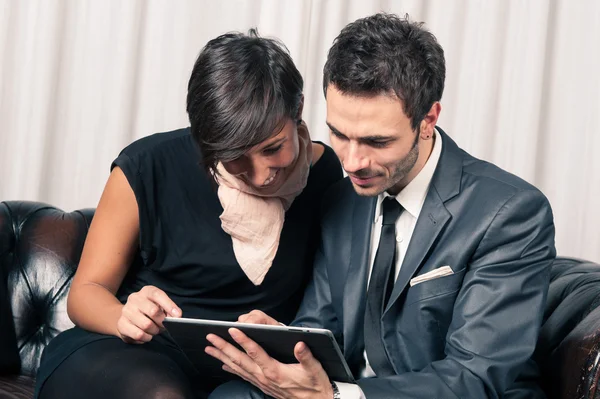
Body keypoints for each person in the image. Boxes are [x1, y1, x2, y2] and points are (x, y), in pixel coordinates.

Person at [205, 13, 557, 399]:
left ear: (428, 120)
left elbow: (474, 377)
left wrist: (338, 397)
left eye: (376, 142)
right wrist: (283, 345)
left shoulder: (510, 214)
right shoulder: (340, 201)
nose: (352, 161)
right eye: (339, 134)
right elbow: (321, 327)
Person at [34, 29, 342, 399]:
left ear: (299, 110)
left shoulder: (329, 176)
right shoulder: (148, 165)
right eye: (236, 156)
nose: (261, 176)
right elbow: (84, 293)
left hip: (246, 371)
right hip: (133, 353)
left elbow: (329, 303)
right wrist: (123, 316)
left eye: (273, 148)